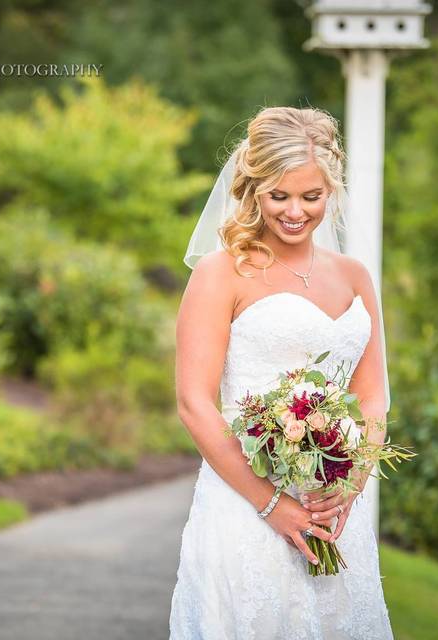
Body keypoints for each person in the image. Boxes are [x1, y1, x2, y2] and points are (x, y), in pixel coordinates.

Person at [169, 106, 395, 639]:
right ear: (253, 190)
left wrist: (351, 487)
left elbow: (372, 399)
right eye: (279, 196)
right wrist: (271, 503)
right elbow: (195, 404)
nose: (295, 212)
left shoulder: (356, 276)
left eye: (311, 197)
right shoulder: (222, 273)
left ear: (331, 191)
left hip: (335, 511)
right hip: (245, 510)